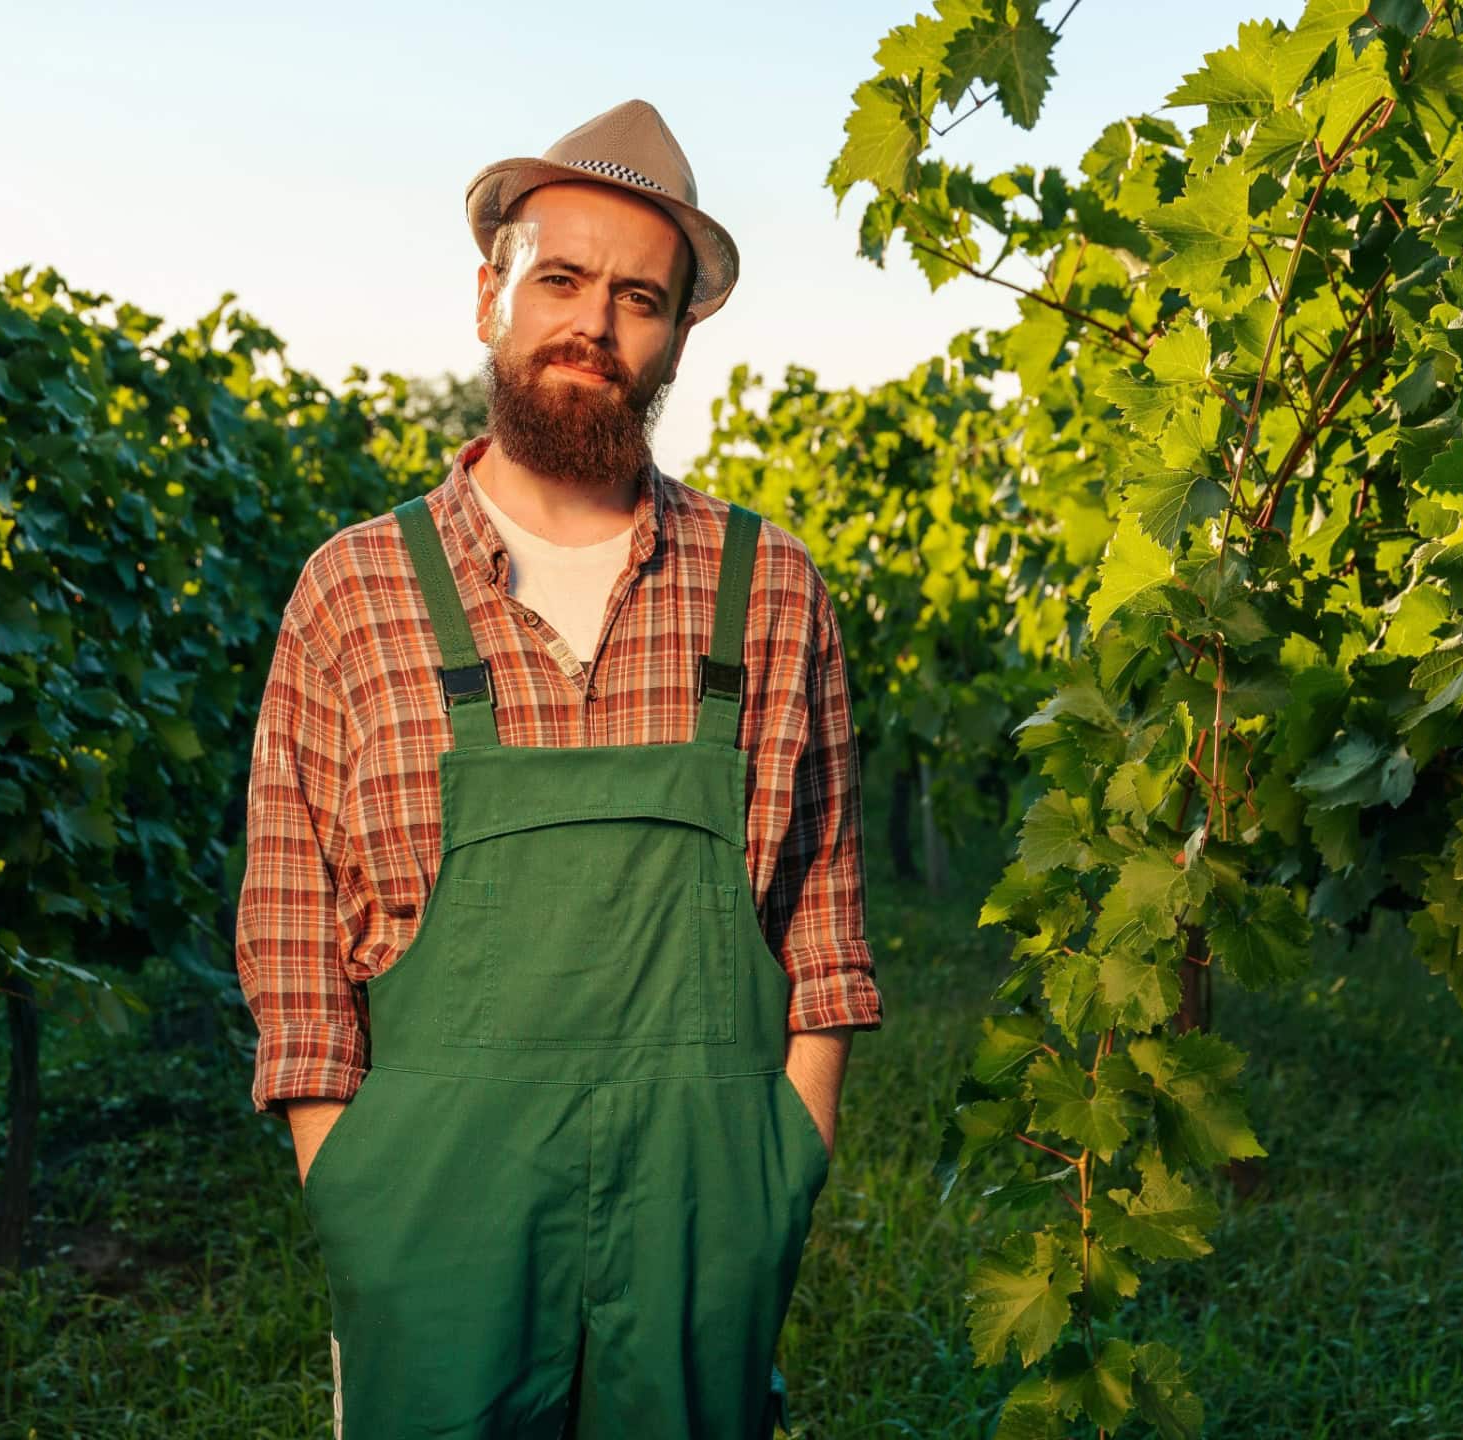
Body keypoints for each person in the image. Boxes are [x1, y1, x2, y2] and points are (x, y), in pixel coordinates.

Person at [234, 97, 884, 1439]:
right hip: (429, 1208)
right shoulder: (353, 593)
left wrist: (788, 1161)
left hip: (705, 1204)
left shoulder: (768, 590)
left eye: (640, 297)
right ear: (494, 296)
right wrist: (343, 1178)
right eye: (563, 279)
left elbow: (821, 904)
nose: (595, 321)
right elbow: (291, 916)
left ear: (680, 332)